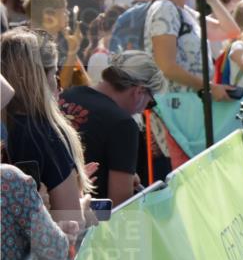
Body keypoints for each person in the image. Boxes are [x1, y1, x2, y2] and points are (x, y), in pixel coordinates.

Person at [2, 28, 92, 229]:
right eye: (55, 73)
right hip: (39, 256)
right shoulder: (43, 134)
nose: (58, 84)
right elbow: (70, 224)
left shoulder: (10, 130)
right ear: (40, 78)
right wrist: (83, 205)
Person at [60, 51, 165, 206]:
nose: (144, 110)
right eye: (150, 103)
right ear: (139, 92)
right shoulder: (123, 124)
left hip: (48, 209)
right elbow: (120, 204)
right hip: (88, 221)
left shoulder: (67, 95)